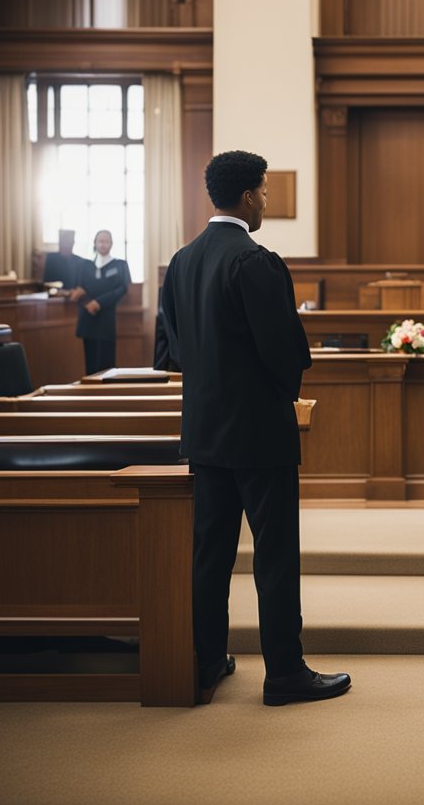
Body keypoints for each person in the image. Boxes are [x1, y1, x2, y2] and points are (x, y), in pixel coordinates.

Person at [161, 150, 350, 706]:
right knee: (274, 556)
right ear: (247, 196)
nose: (266, 200)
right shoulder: (255, 260)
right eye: (264, 192)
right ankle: (285, 674)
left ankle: (204, 662)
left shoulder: (181, 261)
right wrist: (283, 391)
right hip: (259, 434)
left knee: (210, 555)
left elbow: (168, 351)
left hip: (203, 431)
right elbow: (287, 351)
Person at [68, 229, 130, 376]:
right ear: (95, 243)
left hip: (106, 318)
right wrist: (88, 303)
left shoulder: (120, 265)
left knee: (106, 364)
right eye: (100, 241)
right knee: (90, 363)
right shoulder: (84, 265)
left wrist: (99, 303)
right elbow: (77, 289)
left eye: (106, 241)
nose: (103, 244)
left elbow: (122, 289)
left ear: (111, 244)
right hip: (88, 318)